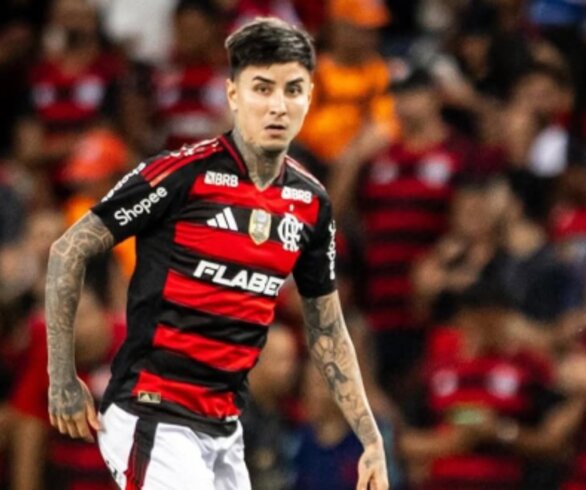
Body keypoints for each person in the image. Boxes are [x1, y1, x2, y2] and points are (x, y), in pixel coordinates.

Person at [45, 17, 388, 490]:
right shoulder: (181, 174)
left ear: (309, 97)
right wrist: (61, 377)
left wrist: (370, 437)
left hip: (225, 428)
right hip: (153, 413)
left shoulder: (311, 202)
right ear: (232, 95)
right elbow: (69, 249)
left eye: (292, 90)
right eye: (262, 88)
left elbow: (328, 328)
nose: (278, 106)